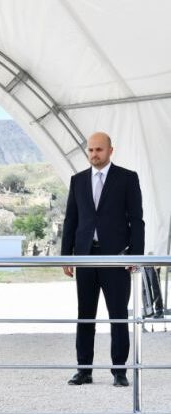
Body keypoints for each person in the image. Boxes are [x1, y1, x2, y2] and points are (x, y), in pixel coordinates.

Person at [61, 132, 144, 387]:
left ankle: (119, 371)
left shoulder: (127, 178)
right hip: (85, 257)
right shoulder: (78, 180)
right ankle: (84, 370)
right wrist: (66, 255)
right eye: (90, 150)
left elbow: (136, 220)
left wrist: (135, 255)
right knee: (85, 315)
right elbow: (71, 219)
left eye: (99, 149)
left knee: (118, 315)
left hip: (115, 259)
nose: (94, 154)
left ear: (110, 150)